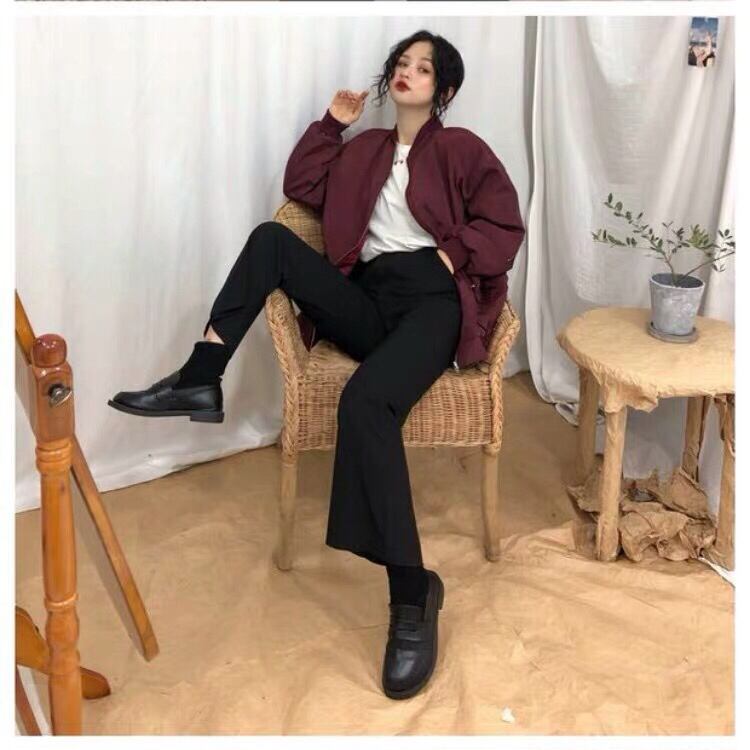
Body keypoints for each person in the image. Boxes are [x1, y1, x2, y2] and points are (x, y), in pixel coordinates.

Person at [109, 29, 525, 700]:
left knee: (365, 402)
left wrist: (447, 258)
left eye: (423, 68)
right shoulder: (366, 149)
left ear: (443, 89)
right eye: (402, 63)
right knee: (270, 240)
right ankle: (200, 376)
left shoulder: (462, 149)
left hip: (430, 303)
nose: (407, 73)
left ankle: (412, 594)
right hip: (369, 297)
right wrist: (332, 125)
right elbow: (301, 186)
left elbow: (504, 226)